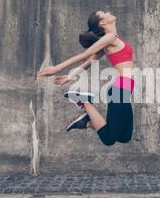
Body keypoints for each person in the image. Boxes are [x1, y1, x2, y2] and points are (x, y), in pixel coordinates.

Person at [36, 11, 135, 146]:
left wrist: (70, 76)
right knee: (109, 139)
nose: (107, 12)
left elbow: (90, 61)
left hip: (126, 89)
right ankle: (85, 101)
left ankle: (86, 122)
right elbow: (86, 55)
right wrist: (57, 68)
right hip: (120, 89)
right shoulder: (109, 37)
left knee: (124, 137)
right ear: (103, 22)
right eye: (103, 13)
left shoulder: (113, 39)